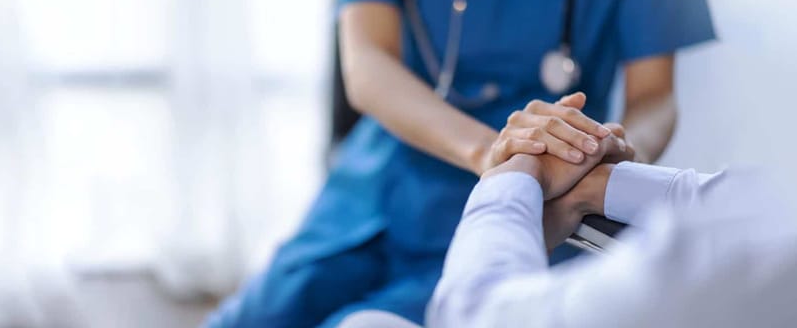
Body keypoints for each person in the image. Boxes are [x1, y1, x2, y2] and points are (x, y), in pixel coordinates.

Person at [204, 0, 714, 326]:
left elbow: (654, 97)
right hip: (389, 176)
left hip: (542, 199)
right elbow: (367, 66)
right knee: (254, 317)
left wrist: (614, 155)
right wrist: (493, 154)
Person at [339, 134, 797, 328]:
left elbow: (475, 316)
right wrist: (597, 185)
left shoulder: (739, 265)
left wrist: (514, 174)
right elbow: (748, 197)